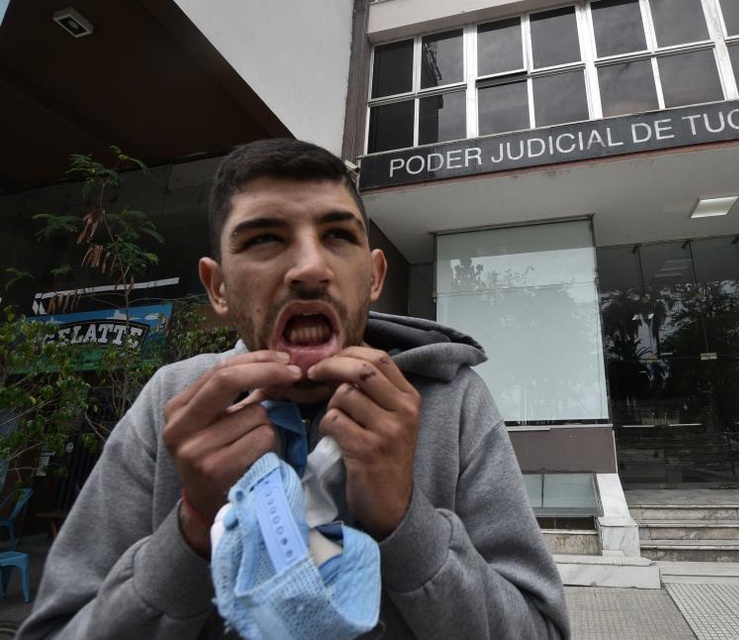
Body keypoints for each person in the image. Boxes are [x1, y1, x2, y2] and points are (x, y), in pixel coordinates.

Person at [17, 139, 571, 639]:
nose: (309, 268)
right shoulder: (172, 400)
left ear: (374, 276)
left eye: (337, 235)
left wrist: (407, 521)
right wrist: (190, 529)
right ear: (217, 287)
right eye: (263, 238)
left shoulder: (452, 404)